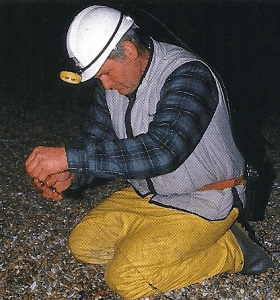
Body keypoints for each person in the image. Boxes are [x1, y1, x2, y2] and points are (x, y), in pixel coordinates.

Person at [25, 5, 273, 299]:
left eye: (105, 74)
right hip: (150, 196)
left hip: (206, 198)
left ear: (128, 51)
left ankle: (232, 251)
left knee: (126, 279)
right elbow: (95, 139)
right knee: (84, 244)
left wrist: (68, 156)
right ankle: (165, 242)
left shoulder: (189, 75)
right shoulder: (112, 84)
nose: (104, 85)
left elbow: (164, 150)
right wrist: (73, 174)